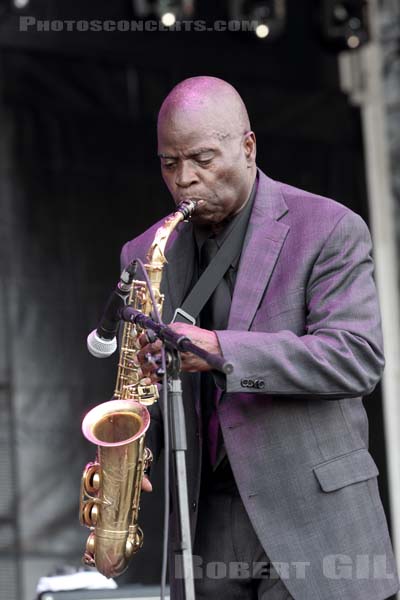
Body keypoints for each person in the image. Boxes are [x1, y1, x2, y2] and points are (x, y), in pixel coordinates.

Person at [121, 76, 399, 599]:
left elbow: (356, 358)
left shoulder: (329, 227)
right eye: (170, 163)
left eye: (202, 159)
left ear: (248, 147)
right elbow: (144, 379)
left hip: (316, 522)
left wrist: (221, 351)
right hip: (206, 524)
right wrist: (132, 450)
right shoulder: (146, 252)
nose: (185, 179)